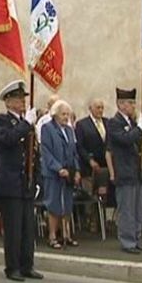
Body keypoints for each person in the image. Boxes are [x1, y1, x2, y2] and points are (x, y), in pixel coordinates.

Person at [0, 80, 43, 281]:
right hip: (10, 181)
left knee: (27, 227)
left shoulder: (26, 123)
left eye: (23, 98)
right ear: (8, 102)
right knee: (13, 228)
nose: (23, 102)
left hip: (26, 182)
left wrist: (37, 179)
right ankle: (12, 267)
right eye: (18, 98)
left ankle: (27, 265)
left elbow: (34, 152)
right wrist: (25, 124)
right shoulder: (1, 120)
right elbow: (8, 139)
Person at [107, 88, 142, 254]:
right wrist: (139, 128)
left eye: (133, 102)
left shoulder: (131, 123)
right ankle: (127, 241)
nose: (133, 106)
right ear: (120, 104)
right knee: (127, 209)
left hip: (136, 171)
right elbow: (125, 140)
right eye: (130, 103)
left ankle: (136, 237)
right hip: (124, 171)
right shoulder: (114, 122)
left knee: (138, 208)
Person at [40, 100, 81, 249]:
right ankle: (52, 236)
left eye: (68, 114)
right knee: (54, 204)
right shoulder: (47, 128)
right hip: (53, 173)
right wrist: (58, 168)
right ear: (55, 114)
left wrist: (76, 170)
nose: (66, 117)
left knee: (67, 204)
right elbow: (46, 152)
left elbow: (74, 152)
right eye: (63, 114)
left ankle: (67, 235)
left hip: (68, 172)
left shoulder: (69, 130)